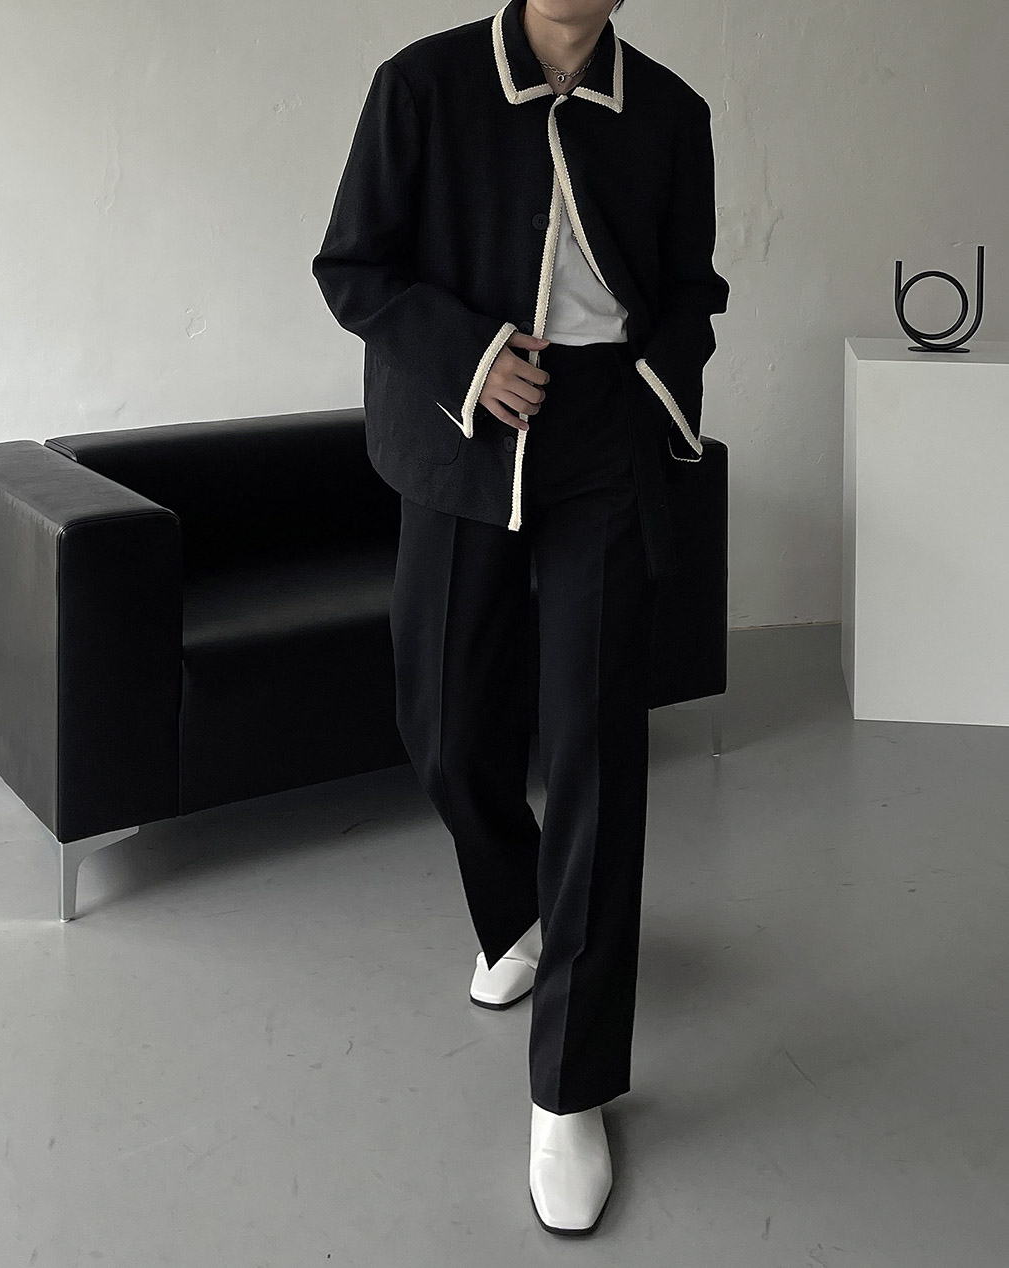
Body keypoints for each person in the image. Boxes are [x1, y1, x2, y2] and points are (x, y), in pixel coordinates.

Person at [312, 0, 729, 1236]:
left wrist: (653, 390)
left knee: (596, 743)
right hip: (463, 426)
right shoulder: (421, 85)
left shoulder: (672, 114)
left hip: (605, 436)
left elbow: (693, 290)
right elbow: (354, 265)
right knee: (441, 723)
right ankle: (517, 910)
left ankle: (570, 1088)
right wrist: (472, 355)